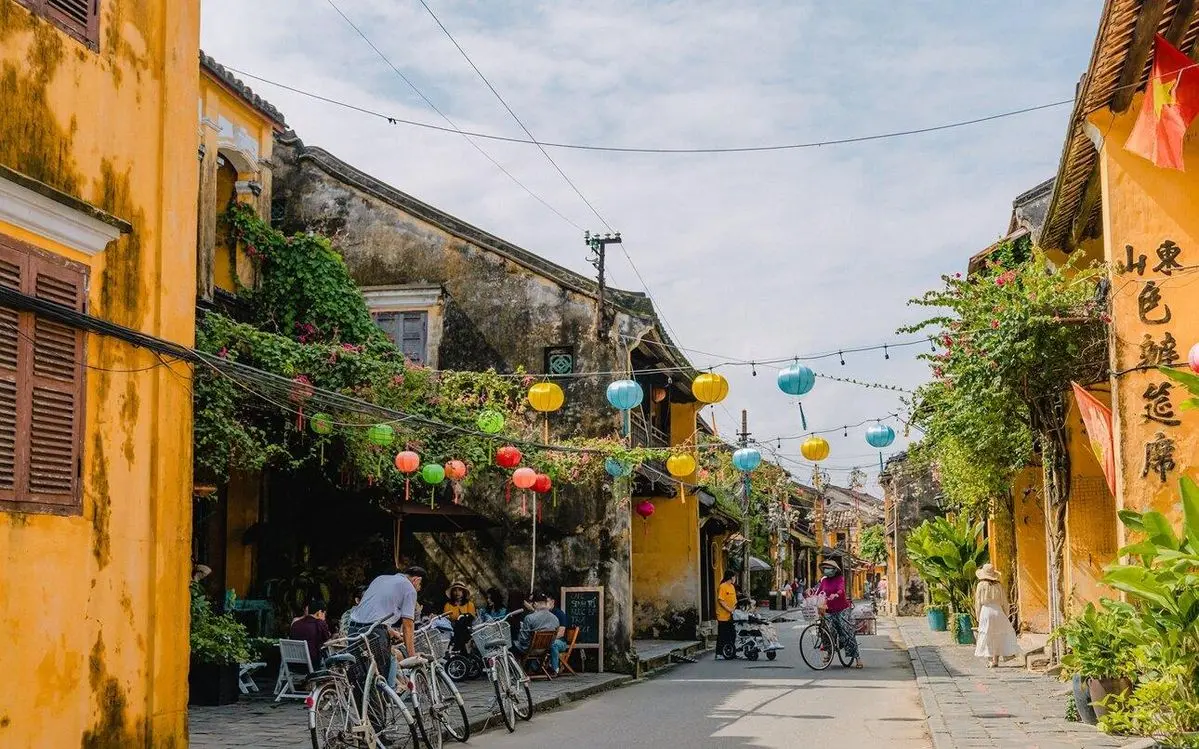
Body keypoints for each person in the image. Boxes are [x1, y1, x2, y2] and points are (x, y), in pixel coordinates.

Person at [348, 566, 425, 686]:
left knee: (360, 676)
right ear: (417, 580)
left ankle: (361, 704)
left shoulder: (380, 579)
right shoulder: (409, 588)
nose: (417, 590)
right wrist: (412, 656)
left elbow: (373, 612)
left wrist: (389, 630)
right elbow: (408, 625)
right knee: (381, 677)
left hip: (353, 628)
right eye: (419, 587)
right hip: (375, 633)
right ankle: (383, 703)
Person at [816, 558, 862, 668]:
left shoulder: (840, 579)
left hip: (842, 609)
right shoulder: (824, 581)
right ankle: (829, 652)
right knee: (826, 629)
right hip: (828, 610)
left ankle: (857, 658)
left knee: (846, 630)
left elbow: (841, 590)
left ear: (835, 570)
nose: (827, 570)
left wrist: (836, 595)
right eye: (825, 568)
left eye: (829, 568)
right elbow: (818, 592)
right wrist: (811, 593)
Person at [974, 563, 1019, 668]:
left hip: (986, 611)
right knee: (998, 635)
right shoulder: (998, 585)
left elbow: (978, 603)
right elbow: (1004, 602)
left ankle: (990, 660)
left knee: (988, 635)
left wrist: (978, 615)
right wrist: (1005, 614)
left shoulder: (980, 585)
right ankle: (996, 660)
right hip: (998, 611)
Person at [514, 593, 566, 675]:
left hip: (530, 650)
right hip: (546, 649)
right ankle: (532, 669)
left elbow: (523, 639)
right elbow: (554, 637)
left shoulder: (530, 618)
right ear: (546, 603)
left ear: (535, 604)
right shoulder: (555, 618)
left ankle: (518, 672)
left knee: (513, 645)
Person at [289, 599, 331, 668]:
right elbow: (327, 641)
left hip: (292, 664)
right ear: (319, 612)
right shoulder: (320, 623)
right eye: (324, 614)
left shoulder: (295, 624)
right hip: (311, 665)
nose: (324, 617)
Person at [715, 571, 737, 659]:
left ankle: (731, 652)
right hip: (722, 616)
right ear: (731, 577)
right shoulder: (722, 586)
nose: (735, 579)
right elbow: (721, 600)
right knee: (722, 635)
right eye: (734, 577)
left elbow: (734, 600)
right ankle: (719, 653)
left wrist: (734, 609)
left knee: (732, 634)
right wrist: (729, 609)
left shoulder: (732, 587)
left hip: (731, 616)